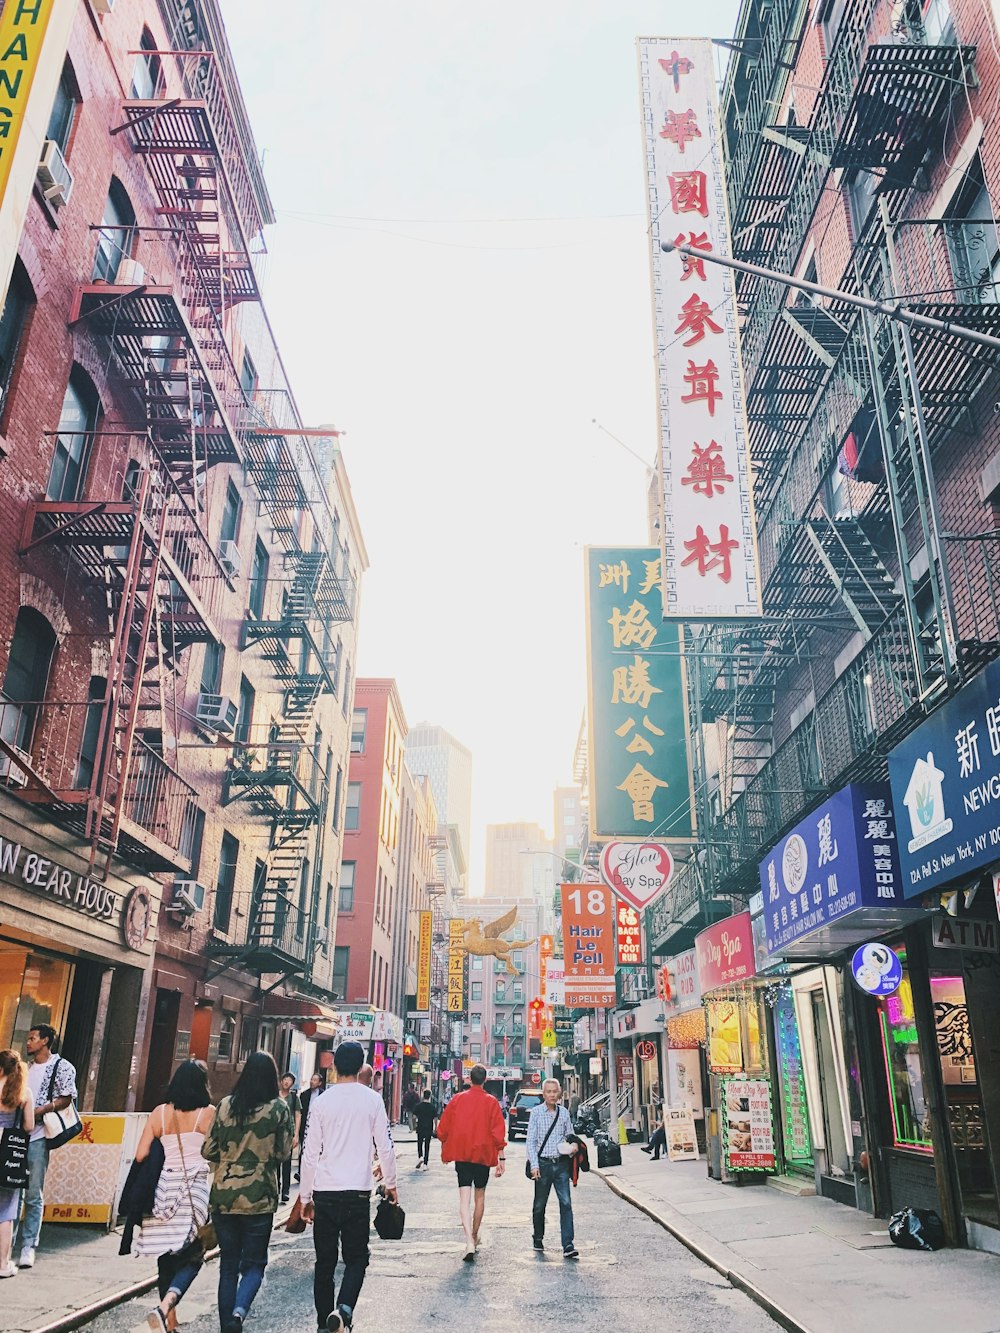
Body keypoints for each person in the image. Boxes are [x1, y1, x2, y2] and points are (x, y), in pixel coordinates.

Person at [300, 1041, 398, 1333]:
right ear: (360, 1068)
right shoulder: (371, 1101)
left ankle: (323, 1323)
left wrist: (305, 1196)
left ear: (333, 1066)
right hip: (357, 1192)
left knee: (325, 1263)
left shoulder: (321, 1103)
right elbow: (386, 1147)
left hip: (325, 1192)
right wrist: (390, 1184)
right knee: (357, 1258)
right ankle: (343, 1310)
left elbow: (309, 1153)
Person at [201, 1052, 293, 1333]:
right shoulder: (278, 1109)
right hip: (259, 1198)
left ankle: (225, 1323)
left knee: (228, 1264)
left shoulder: (226, 1105)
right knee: (253, 1264)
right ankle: (238, 1315)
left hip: (224, 1196)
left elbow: (208, 1149)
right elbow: (284, 1151)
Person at [132, 1060, 215, 1332]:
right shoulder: (208, 1113)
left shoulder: (160, 1113)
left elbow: (141, 1153)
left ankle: (171, 1323)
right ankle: (167, 1305)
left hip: (165, 1186)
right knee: (193, 1253)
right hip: (196, 1189)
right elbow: (216, 1153)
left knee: (166, 1252)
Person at [15, 1025, 77, 1268]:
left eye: (33, 1038)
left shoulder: (62, 1067)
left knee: (32, 1192)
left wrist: (43, 1109)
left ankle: (29, 1245)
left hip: (39, 1135)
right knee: (12, 1191)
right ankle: (8, 1244)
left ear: (46, 1041)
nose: (28, 1042)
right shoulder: (24, 1069)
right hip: (17, 1135)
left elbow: (67, 1097)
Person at [435, 1063, 506, 1262]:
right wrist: (501, 1157)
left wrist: (445, 1139)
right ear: (485, 1080)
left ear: (469, 1079)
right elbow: (498, 1132)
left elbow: (442, 1129)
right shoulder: (491, 1102)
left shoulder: (457, 1100)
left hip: (463, 1155)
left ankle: (468, 1241)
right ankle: (474, 1234)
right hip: (483, 1155)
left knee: (464, 1199)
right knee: (480, 1197)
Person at [527, 1078, 578, 1259]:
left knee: (566, 1203)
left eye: (554, 1091)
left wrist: (573, 1146)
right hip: (543, 1164)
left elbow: (569, 1135)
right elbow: (531, 1142)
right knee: (540, 1205)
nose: (551, 1094)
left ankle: (568, 1244)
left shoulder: (563, 1113)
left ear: (559, 1093)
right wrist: (534, 1165)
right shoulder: (536, 1113)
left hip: (561, 1164)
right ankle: (538, 1237)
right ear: (543, 1094)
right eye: (548, 1091)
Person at [0, 1050, 34, 1278]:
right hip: (8, 1153)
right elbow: (29, 1126)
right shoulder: (24, 1092)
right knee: (6, 1211)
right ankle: (3, 1264)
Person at [278, 1072, 301, 1202]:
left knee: (287, 1163)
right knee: (275, 1164)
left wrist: (296, 1134)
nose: (287, 1082)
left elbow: (297, 1115)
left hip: (288, 1133)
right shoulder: (274, 1095)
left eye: (290, 1080)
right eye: (285, 1079)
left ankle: (285, 1191)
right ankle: (277, 1188)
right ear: (281, 1081)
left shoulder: (293, 1097)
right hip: (275, 1133)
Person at [413, 1090, 436, 1169]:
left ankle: (420, 1157)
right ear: (430, 1096)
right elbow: (435, 1118)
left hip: (420, 1126)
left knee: (419, 1143)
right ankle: (425, 1164)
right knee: (427, 1145)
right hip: (429, 1127)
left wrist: (415, 1123)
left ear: (423, 1096)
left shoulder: (419, 1106)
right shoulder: (432, 1107)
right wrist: (435, 1128)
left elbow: (414, 1116)